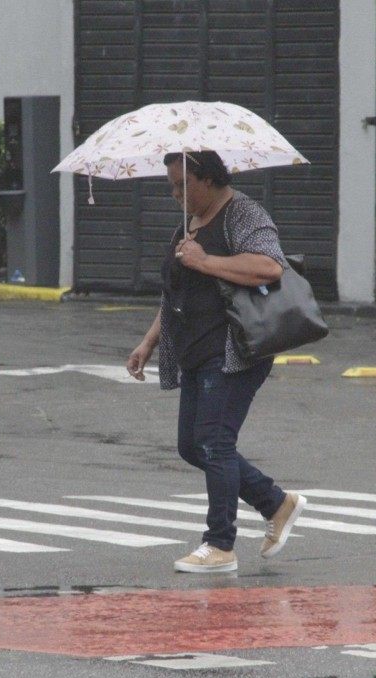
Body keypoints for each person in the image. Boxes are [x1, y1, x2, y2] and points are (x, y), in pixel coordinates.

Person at [126, 150, 306, 573]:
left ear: (207, 179)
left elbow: (268, 267)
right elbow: (177, 293)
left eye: (181, 184)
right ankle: (276, 503)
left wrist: (205, 261)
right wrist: (149, 342)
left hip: (233, 350)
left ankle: (220, 544)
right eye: (170, 185)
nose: (174, 194)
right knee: (192, 446)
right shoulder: (189, 222)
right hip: (194, 348)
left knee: (214, 441)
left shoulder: (243, 214)